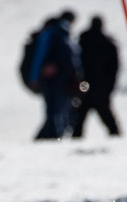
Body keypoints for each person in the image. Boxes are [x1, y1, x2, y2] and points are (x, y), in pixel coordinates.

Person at [27, 10, 82, 140]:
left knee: (56, 109)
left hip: (57, 79)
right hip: (60, 79)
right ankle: (54, 136)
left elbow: (39, 58)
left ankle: (53, 136)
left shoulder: (56, 33)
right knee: (59, 109)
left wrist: (34, 78)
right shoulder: (61, 35)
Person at [72, 16, 120, 137]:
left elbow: (75, 64)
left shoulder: (82, 42)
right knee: (106, 116)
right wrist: (109, 87)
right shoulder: (108, 44)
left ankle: (76, 137)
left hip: (84, 85)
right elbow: (114, 69)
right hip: (101, 87)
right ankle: (115, 136)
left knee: (80, 116)